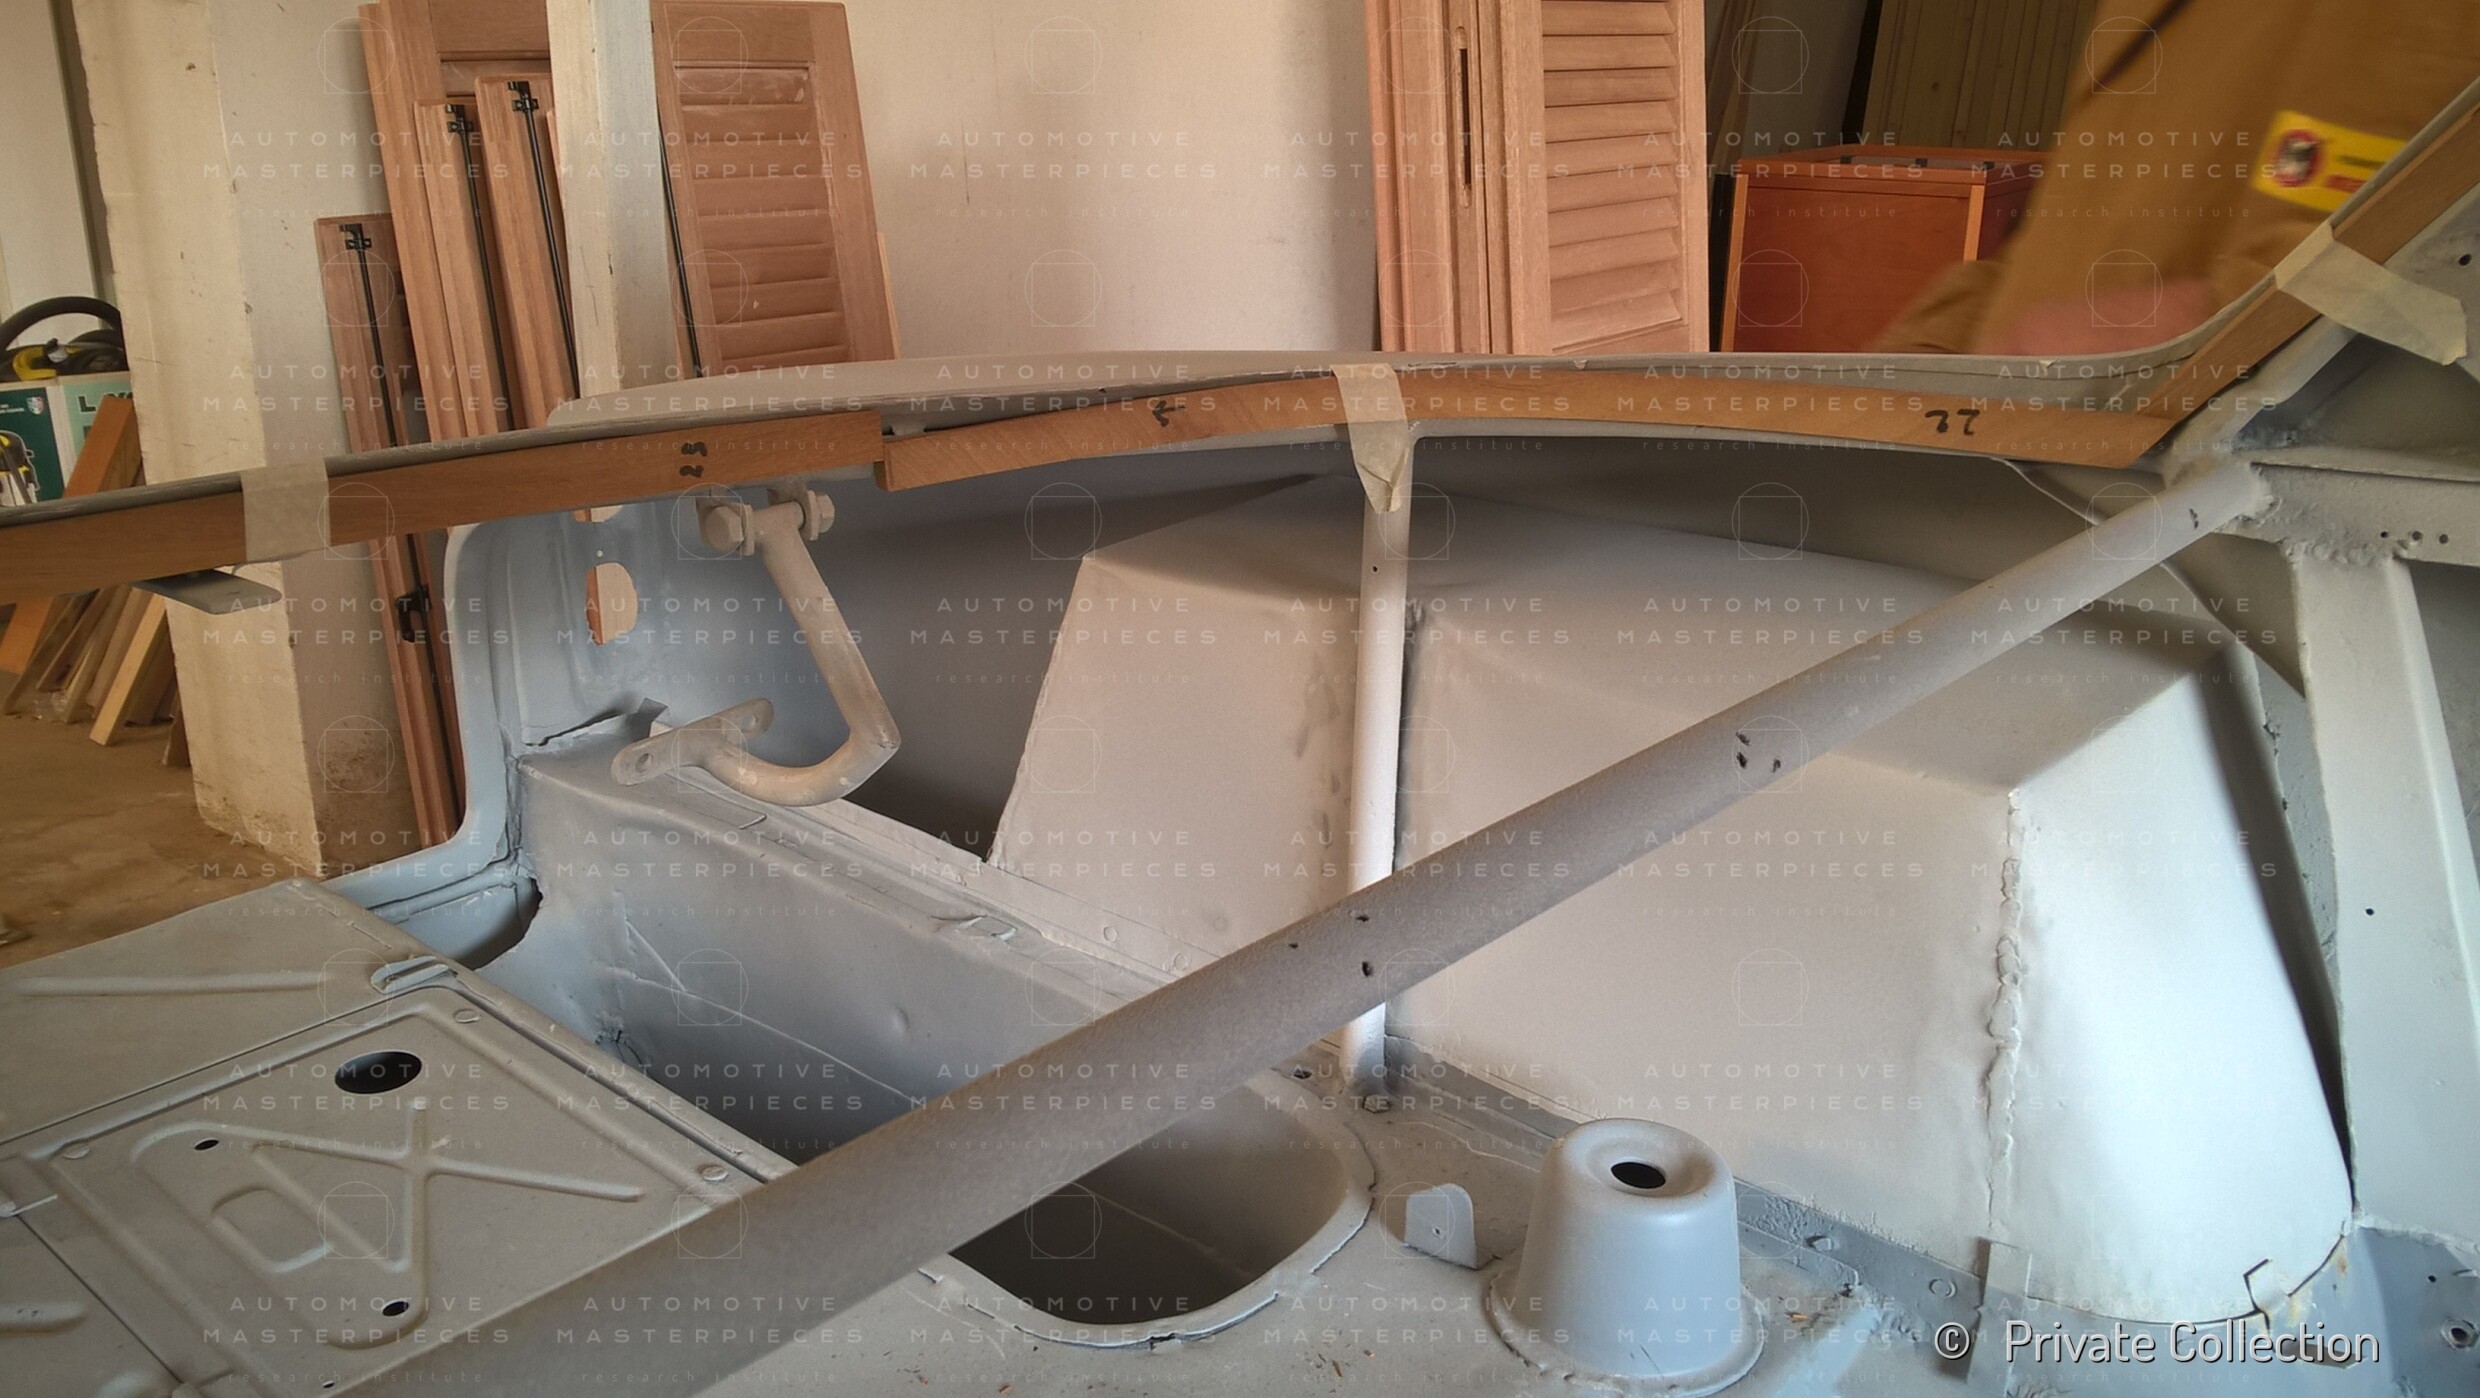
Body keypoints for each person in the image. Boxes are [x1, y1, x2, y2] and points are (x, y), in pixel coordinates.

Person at [1874, 0, 2480, 356]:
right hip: (2045, 443)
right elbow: (2064, 223)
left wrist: (2198, 326)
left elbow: (2420, 255)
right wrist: (1932, 349)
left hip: (2184, 473)